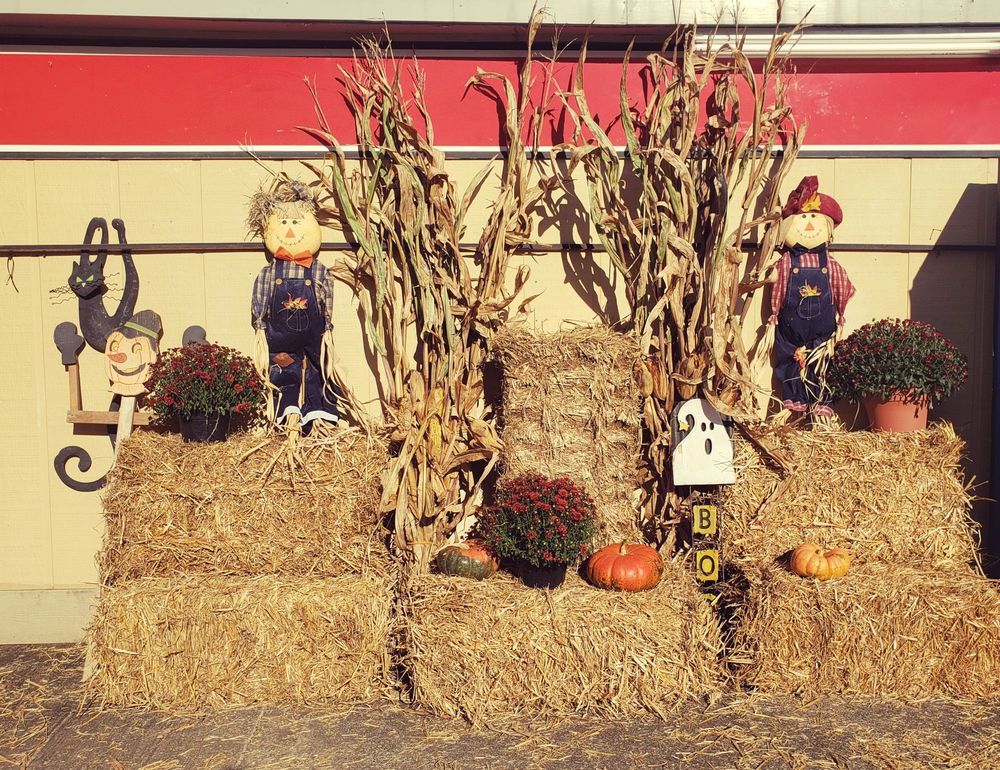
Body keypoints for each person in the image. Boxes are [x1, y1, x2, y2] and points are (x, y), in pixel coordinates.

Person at [248, 180, 339, 430]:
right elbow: (260, 297)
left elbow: (327, 298)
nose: (289, 230)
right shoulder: (269, 272)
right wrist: (260, 323)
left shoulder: (318, 270)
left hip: (313, 334)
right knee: (283, 367)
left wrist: (327, 325)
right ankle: (288, 414)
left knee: (317, 369)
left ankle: (317, 414)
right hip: (279, 336)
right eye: (284, 223)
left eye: (296, 223)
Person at [769, 176, 855, 418]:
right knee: (790, 361)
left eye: (814, 218)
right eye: (803, 218)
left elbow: (841, 286)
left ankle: (821, 403)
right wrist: (774, 313)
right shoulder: (786, 262)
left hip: (822, 331)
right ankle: (793, 401)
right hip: (791, 329)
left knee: (822, 364)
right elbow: (778, 288)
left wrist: (841, 313)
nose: (808, 225)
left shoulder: (830, 264)